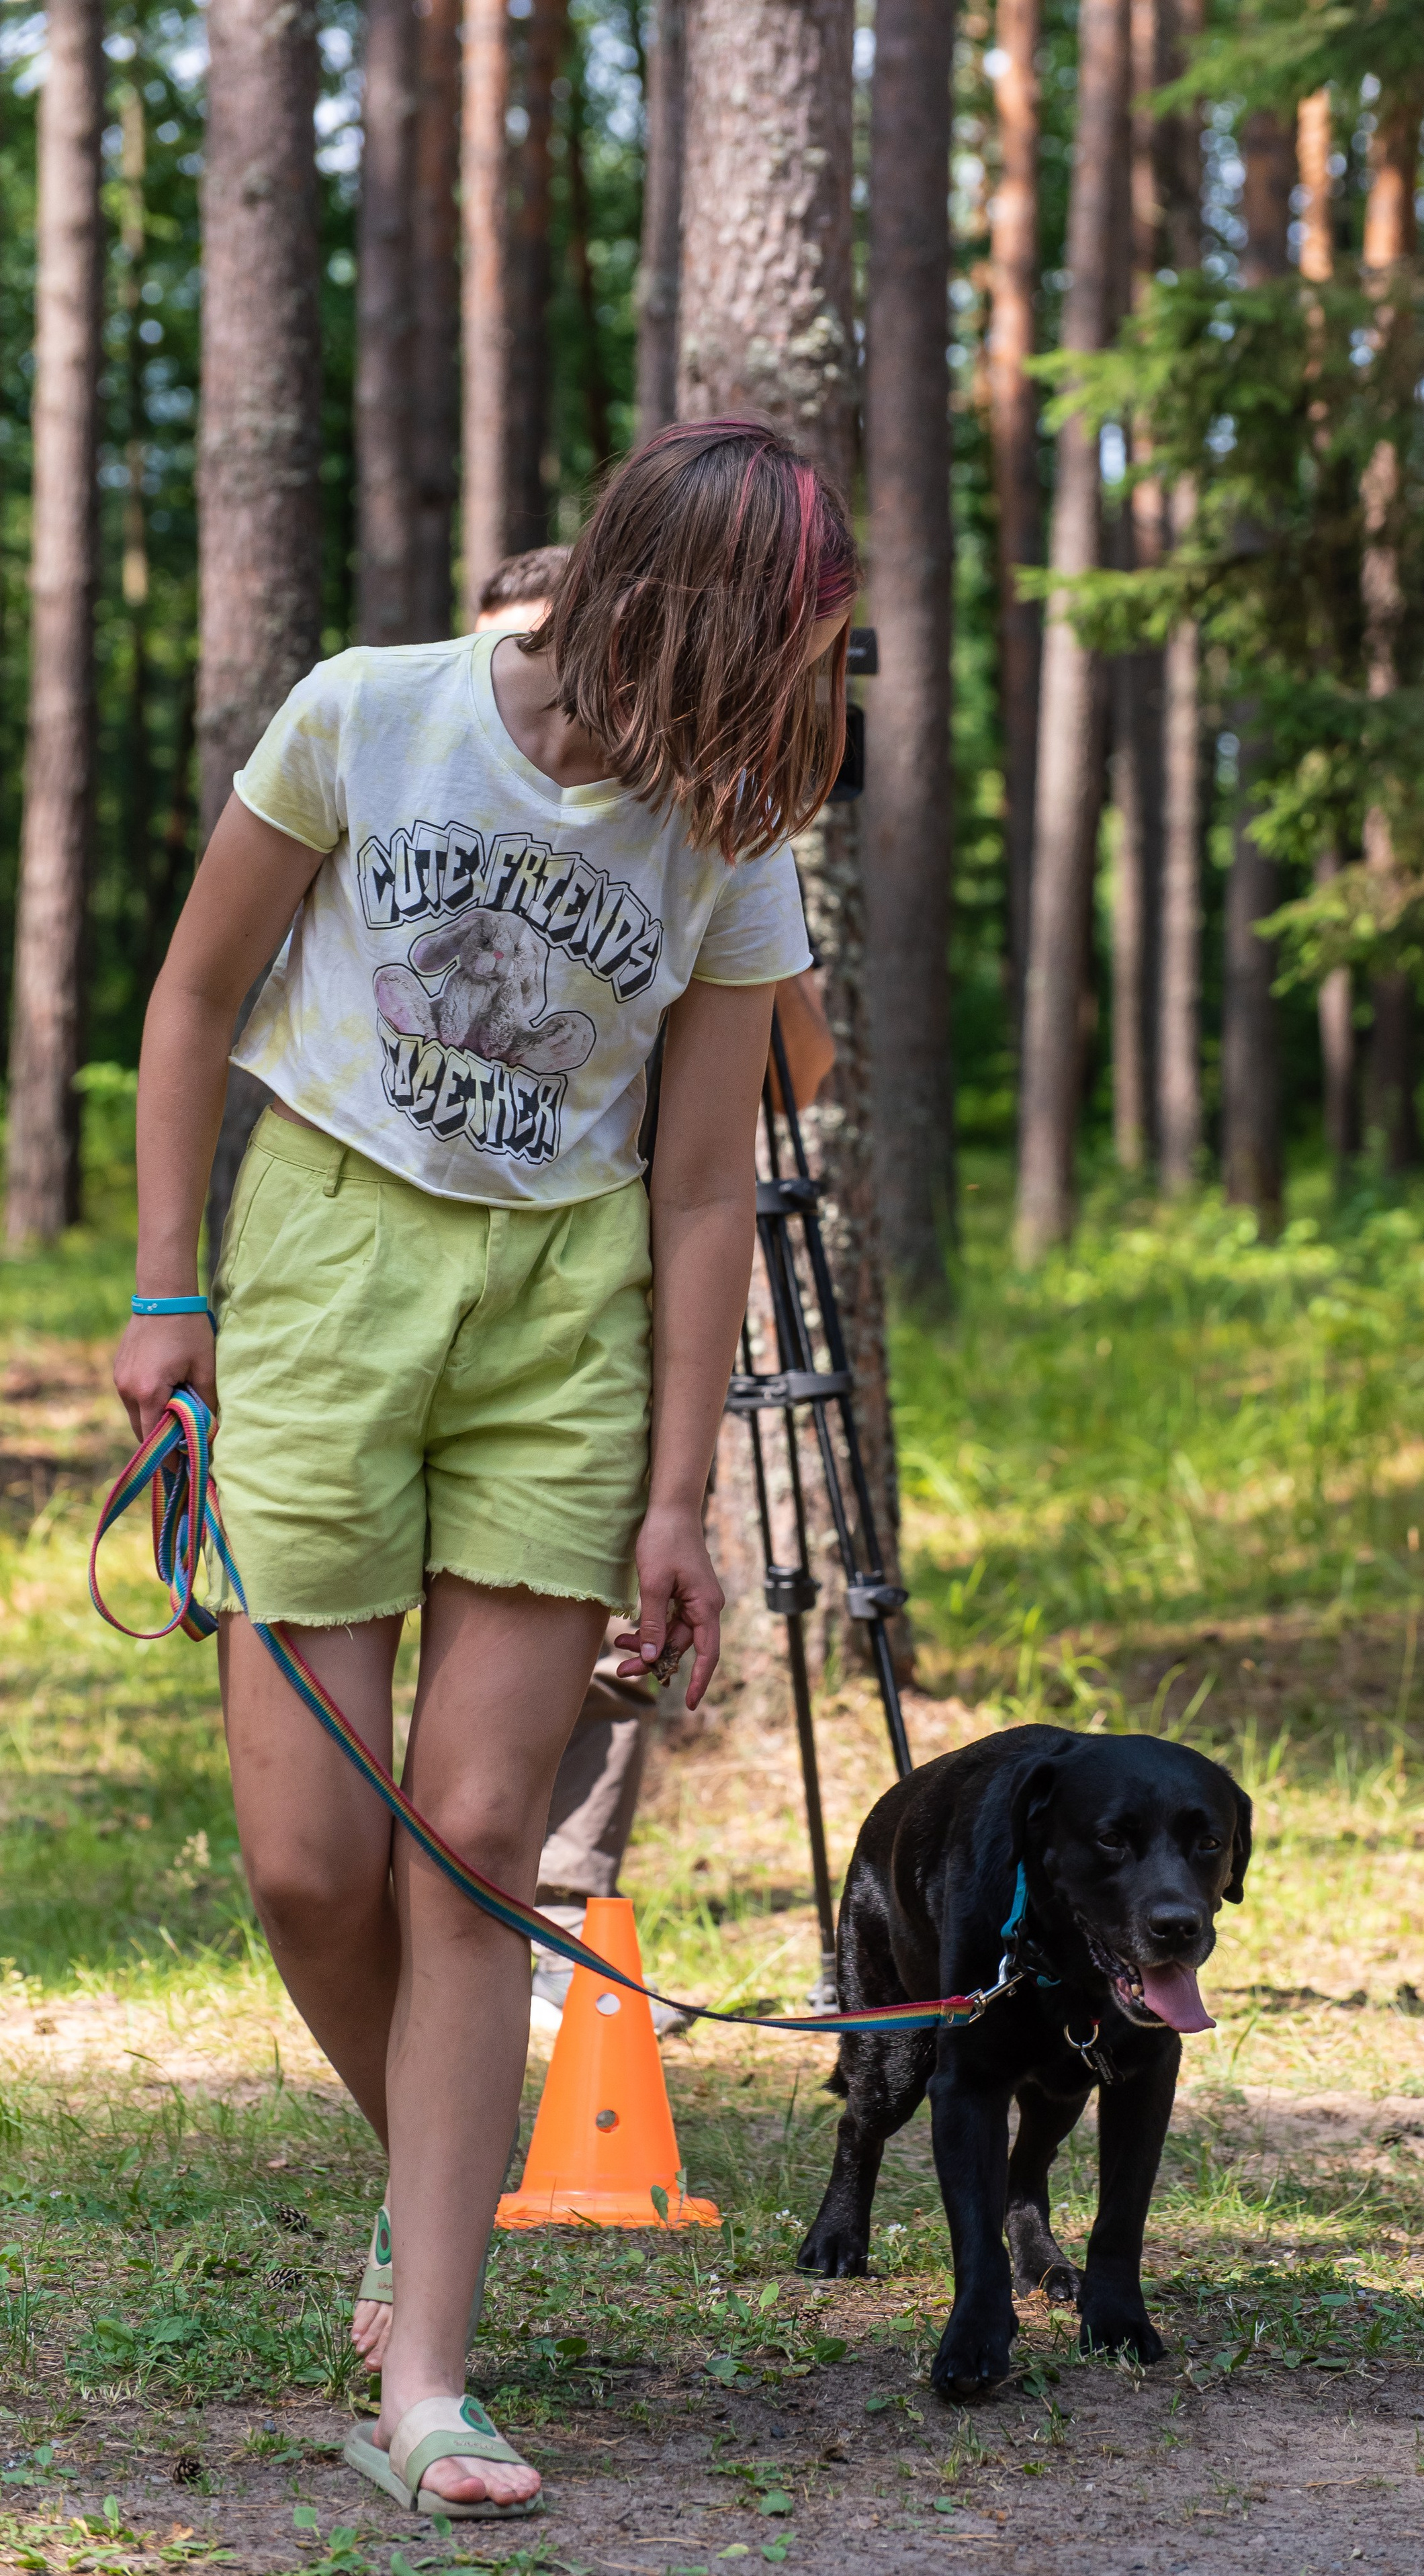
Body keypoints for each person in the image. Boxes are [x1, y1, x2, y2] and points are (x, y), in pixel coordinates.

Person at [113, 420, 859, 2521]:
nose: (777, 725)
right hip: (331, 1262)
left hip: (564, 1319)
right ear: (657, 601)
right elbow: (190, 994)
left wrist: (677, 1496)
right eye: (764, 666)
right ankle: (424, 2177)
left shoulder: (727, 830)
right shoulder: (374, 712)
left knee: (464, 1848)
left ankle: (428, 2372)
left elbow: (710, 1179)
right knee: (307, 1863)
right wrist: (167, 1293)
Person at [467, 550, 836, 2036]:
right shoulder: (428, 763)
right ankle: (434, 1901)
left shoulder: (705, 833)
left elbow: (794, 1083)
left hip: (609, 1268)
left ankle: (561, 1908)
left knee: (604, 1590)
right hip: (425, 1256)